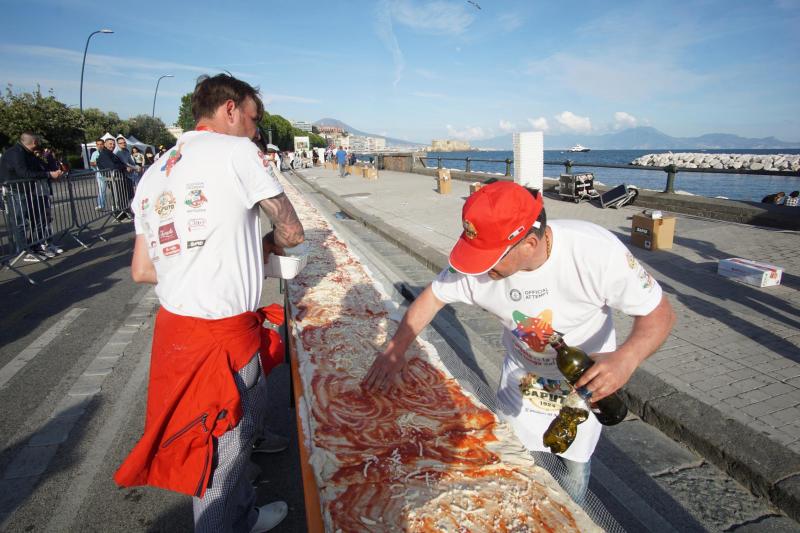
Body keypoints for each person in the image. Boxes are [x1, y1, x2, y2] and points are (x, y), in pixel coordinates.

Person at [363, 181, 675, 504]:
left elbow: (660, 314)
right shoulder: (478, 268)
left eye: (490, 257)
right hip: (521, 380)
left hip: (581, 387)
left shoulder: (595, 251)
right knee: (513, 465)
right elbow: (432, 297)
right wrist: (396, 347)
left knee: (572, 474)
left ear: (529, 243)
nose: (479, 268)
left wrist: (627, 358)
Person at [114, 73, 305, 533]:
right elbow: (293, 231)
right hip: (221, 339)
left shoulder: (155, 170)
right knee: (219, 459)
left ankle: (244, 498)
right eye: (254, 119)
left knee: (219, 436)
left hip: (176, 334)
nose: (257, 131)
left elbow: (142, 269)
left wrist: (216, 259)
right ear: (230, 110)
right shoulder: (239, 151)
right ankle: (227, 519)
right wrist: (267, 248)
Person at [0, 132, 63, 260]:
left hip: (28, 191)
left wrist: (51, 172)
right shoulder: (16, 153)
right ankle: (25, 250)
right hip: (16, 191)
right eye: (38, 141)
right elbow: (23, 172)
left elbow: (39, 169)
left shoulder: (27, 153)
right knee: (21, 222)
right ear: (34, 142)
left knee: (39, 218)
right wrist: (48, 175)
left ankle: (36, 245)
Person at [90, 139, 107, 210]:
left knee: (114, 190)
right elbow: (91, 163)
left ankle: (117, 205)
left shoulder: (107, 152)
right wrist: (98, 163)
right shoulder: (95, 153)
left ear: (104, 145)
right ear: (96, 145)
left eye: (101, 144)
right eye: (98, 144)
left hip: (110, 174)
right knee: (101, 190)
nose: (99, 146)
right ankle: (101, 205)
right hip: (100, 174)